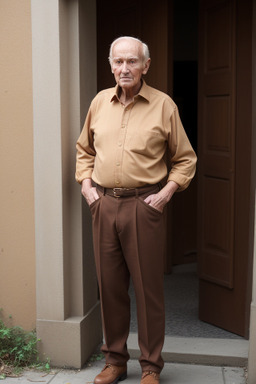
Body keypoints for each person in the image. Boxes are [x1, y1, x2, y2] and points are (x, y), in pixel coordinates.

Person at [76, 36, 197, 384]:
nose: (124, 68)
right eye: (118, 62)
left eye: (132, 62)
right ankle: (115, 361)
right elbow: (84, 150)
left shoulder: (164, 106)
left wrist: (165, 194)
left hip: (144, 205)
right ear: (111, 65)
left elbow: (185, 159)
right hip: (103, 203)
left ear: (146, 66)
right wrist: (86, 185)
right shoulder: (100, 102)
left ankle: (150, 367)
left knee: (147, 291)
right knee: (110, 287)